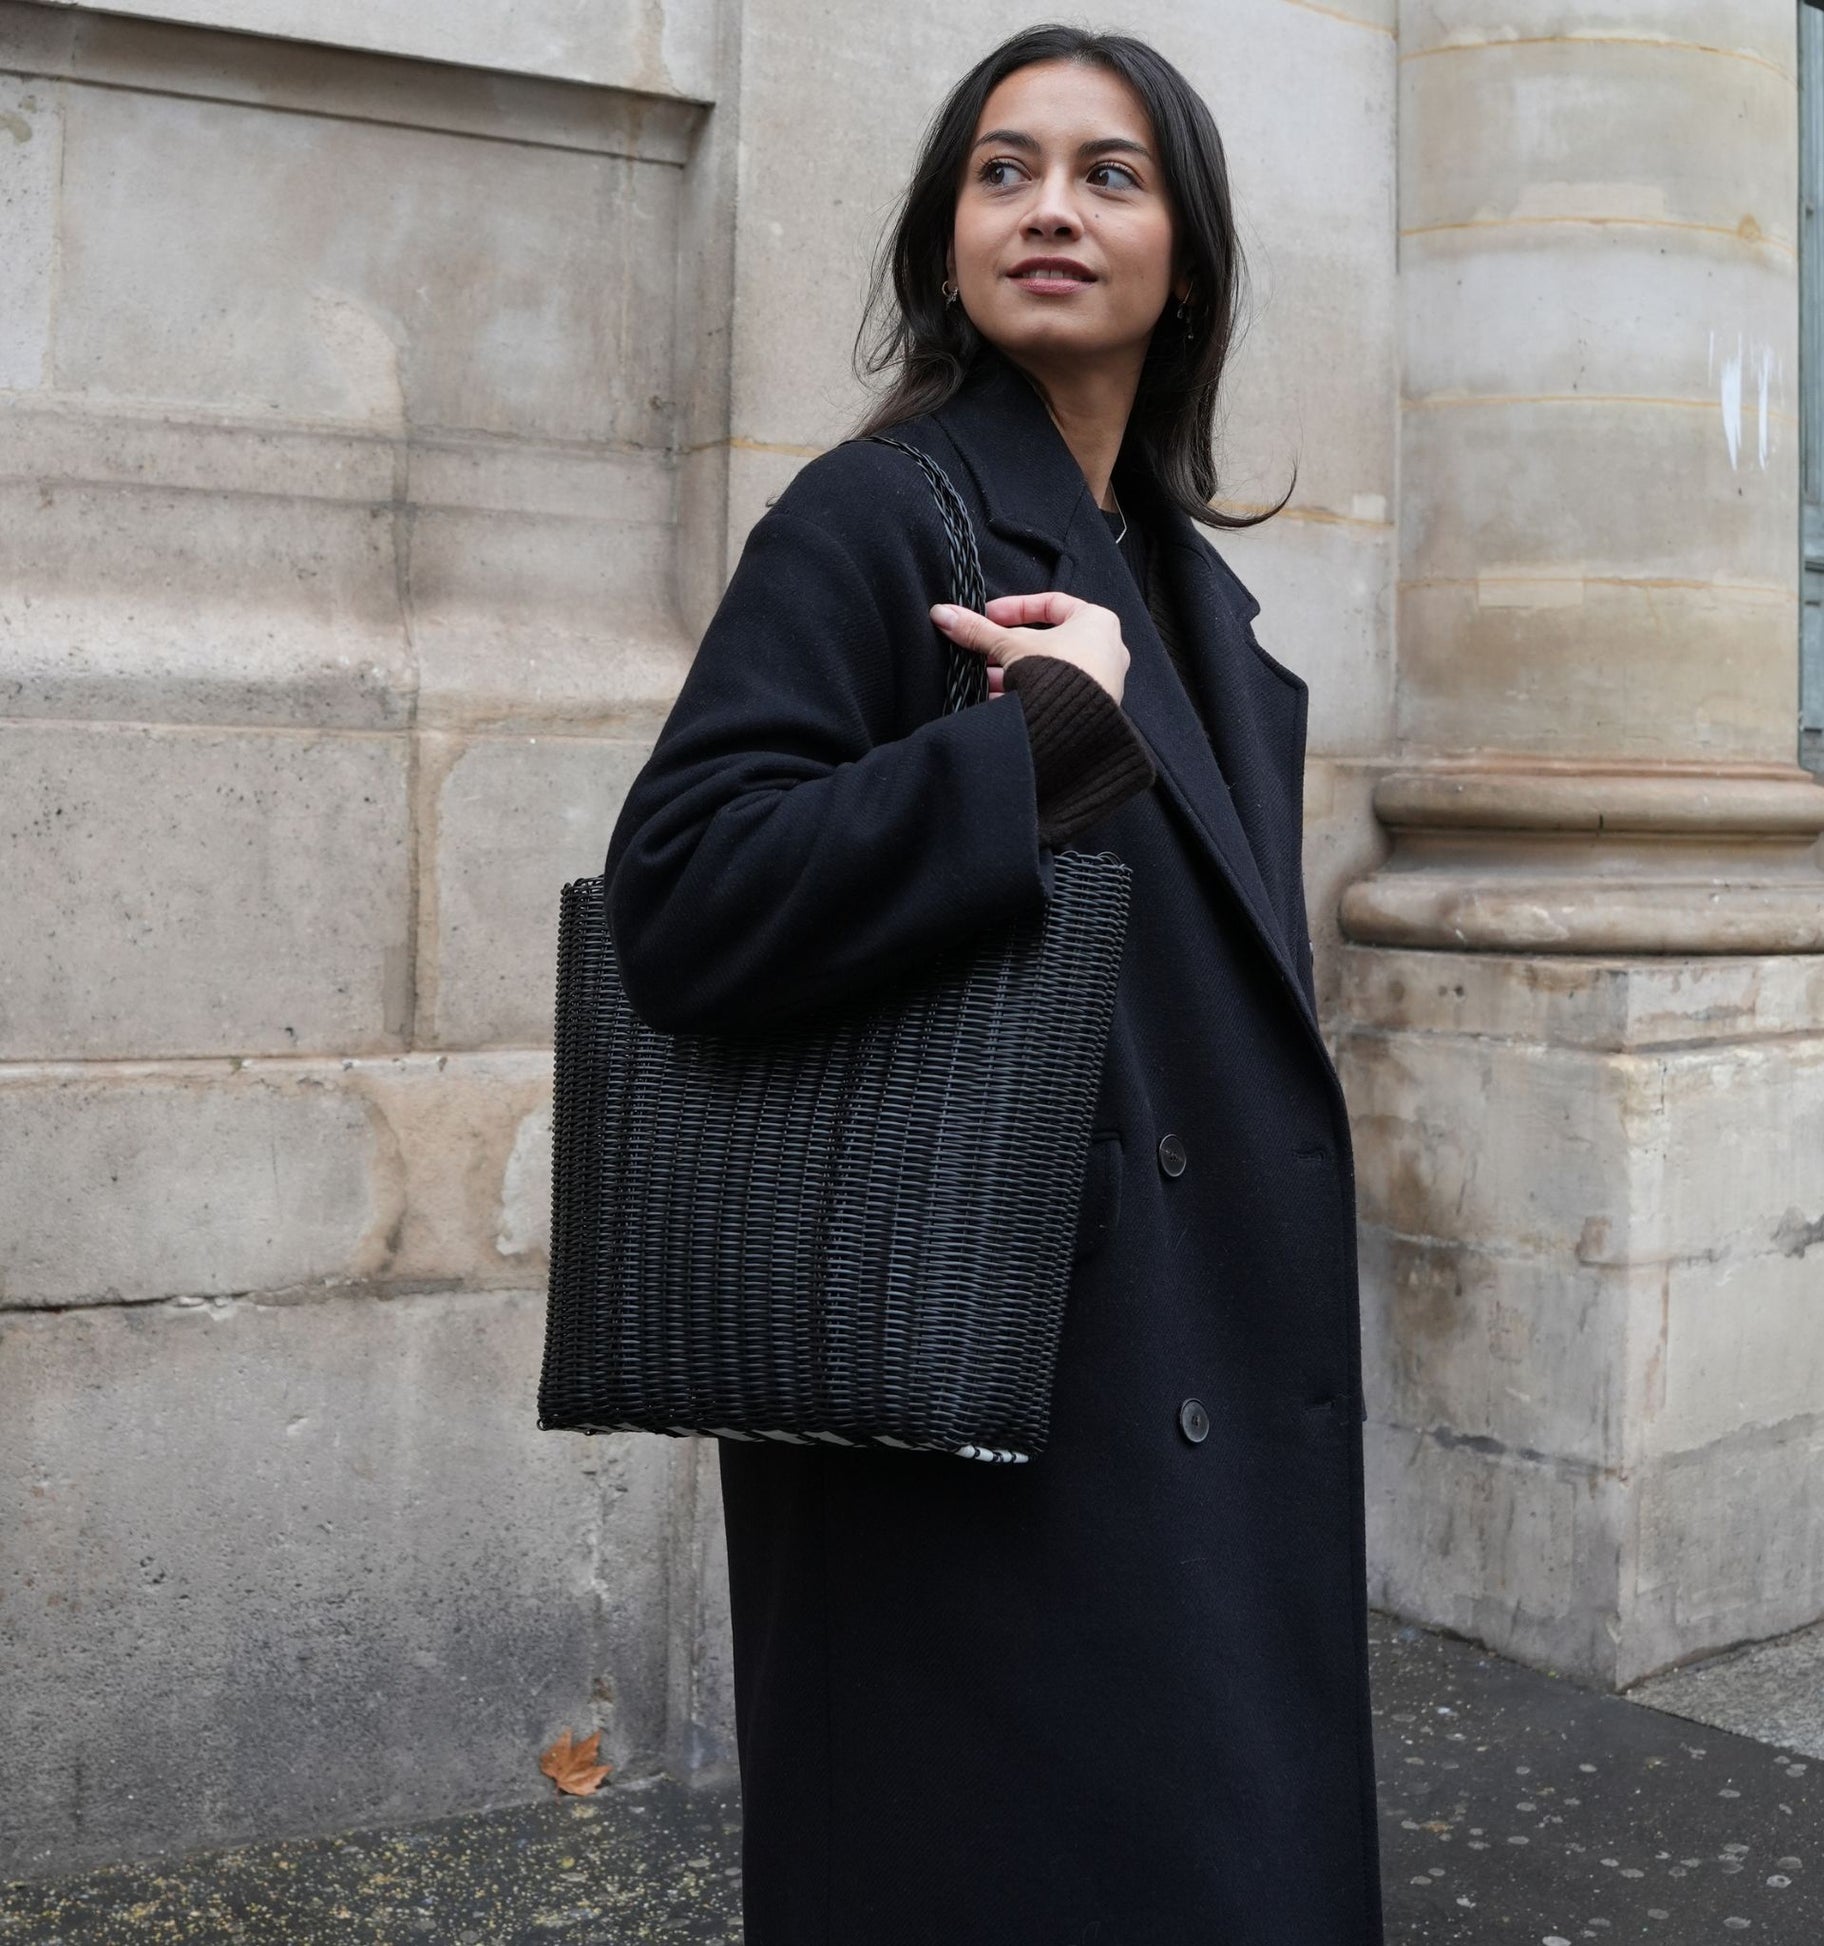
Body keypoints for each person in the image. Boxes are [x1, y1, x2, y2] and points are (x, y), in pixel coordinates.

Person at [604, 24, 1380, 1945]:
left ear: (1183, 259)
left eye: (1109, 174)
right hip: (976, 1398)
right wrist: (1024, 748)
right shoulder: (874, 515)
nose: (1049, 208)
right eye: (1001, 170)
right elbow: (683, 897)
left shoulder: (1184, 591)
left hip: (1154, 1383)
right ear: (946, 242)